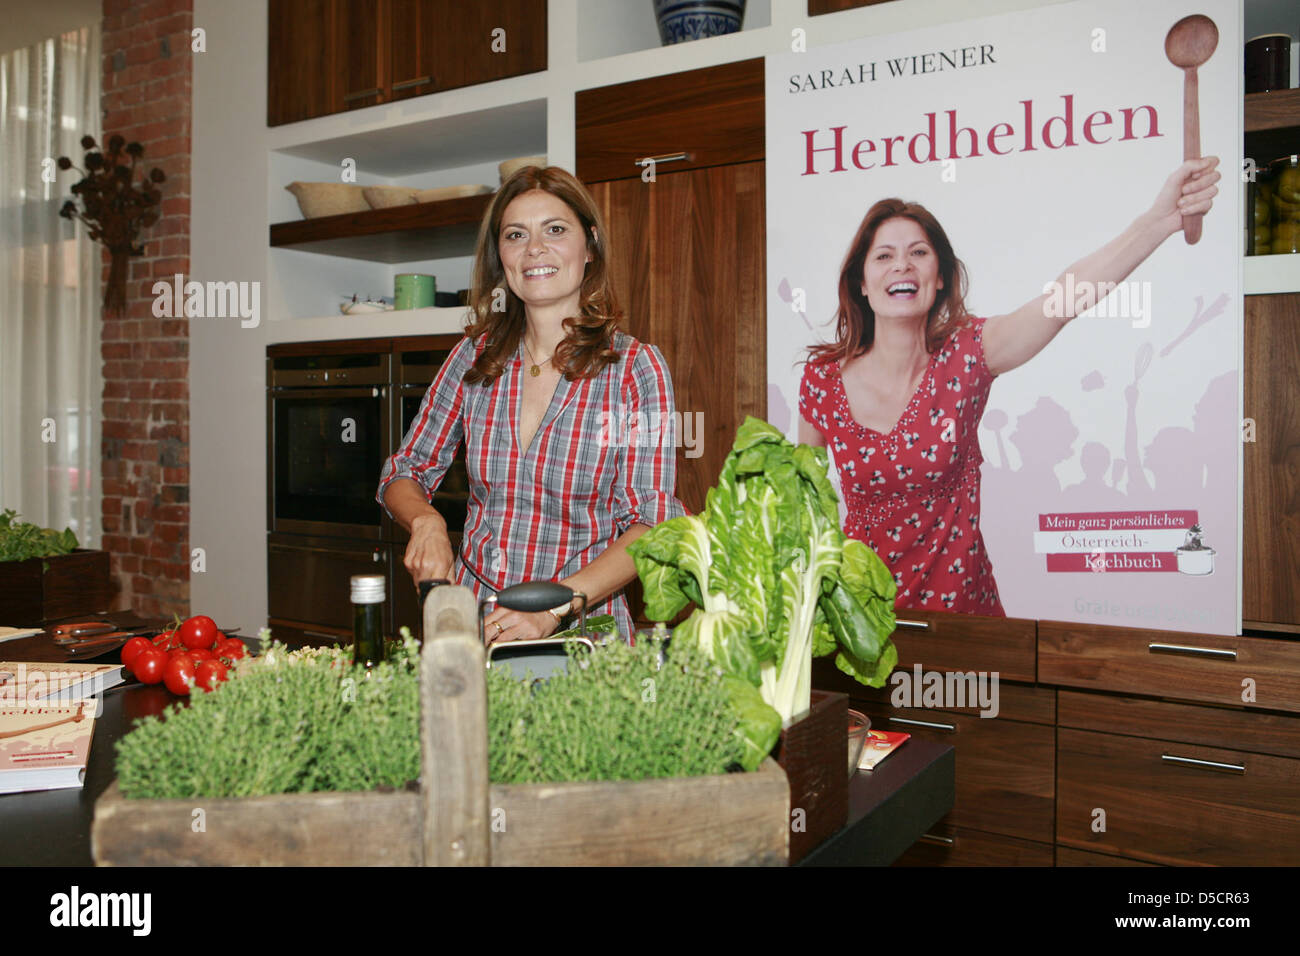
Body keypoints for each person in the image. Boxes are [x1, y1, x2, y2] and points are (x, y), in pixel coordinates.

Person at [797, 157, 1220, 615]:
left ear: (938, 278)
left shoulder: (968, 355)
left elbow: (1060, 301)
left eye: (918, 253)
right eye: (884, 255)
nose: (902, 265)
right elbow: (806, 509)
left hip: (964, 619)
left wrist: (1159, 221)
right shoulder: (822, 382)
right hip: (860, 618)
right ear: (862, 281)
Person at [378, 166, 686, 643]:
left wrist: (554, 606)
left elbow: (651, 522)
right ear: (501, 257)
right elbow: (406, 468)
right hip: (471, 627)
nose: (534, 249)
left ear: (591, 246)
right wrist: (426, 521)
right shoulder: (474, 357)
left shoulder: (633, 369)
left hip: (581, 636)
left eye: (555, 230)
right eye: (515, 235)